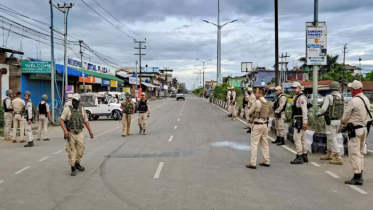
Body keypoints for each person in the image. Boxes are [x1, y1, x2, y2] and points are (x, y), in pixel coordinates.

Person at [342, 80, 371, 185]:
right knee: (360, 153)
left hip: (355, 130)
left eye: (351, 89)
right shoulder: (366, 99)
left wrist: (344, 122)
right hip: (364, 129)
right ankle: (360, 173)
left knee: (354, 153)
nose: (350, 91)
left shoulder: (353, 101)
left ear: (354, 90)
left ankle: (357, 176)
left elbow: (344, 118)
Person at [60, 93, 94, 176]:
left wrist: (90, 131)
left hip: (79, 132)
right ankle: (72, 167)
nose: (74, 102)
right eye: (73, 100)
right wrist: (65, 131)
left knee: (81, 149)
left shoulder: (82, 109)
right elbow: (61, 121)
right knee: (71, 151)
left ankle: (77, 163)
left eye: (76, 101)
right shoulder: (67, 109)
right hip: (70, 133)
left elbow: (86, 120)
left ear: (79, 101)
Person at [317, 81, 344, 165]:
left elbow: (324, 109)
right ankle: (329, 153)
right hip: (338, 121)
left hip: (331, 121)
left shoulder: (329, 97)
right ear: (338, 88)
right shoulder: (341, 97)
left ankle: (338, 156)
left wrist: (318, 113)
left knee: (332, 138)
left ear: (330, 88)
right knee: (331, 137)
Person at [246, 88, 270, 169]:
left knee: (254, 144)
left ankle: (253, 163)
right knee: (264, 143)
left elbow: (249, 112)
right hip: (265, 124)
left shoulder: (257, 102)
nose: (256, 94)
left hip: (257, 124)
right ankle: (266, 160)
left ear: (260, 94)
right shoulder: (267, 102)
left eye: (256, 93)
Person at [290, 82, 309, 164]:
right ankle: (305, 155)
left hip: (299, 120)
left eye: (295, 88)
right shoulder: (299, 96)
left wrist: (304, 122)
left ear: (300, 88)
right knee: (302, 138)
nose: (294, 89)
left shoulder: (301, 98)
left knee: (297, 138)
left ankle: (299, 156)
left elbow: (304, 111)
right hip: (300, 120)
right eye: (293, 88)